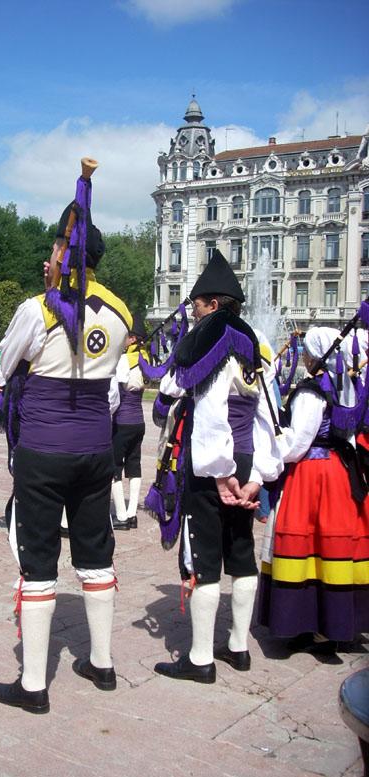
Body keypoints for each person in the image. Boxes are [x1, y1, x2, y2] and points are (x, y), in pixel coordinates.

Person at [0, 178, 132, 714]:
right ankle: (102, 663)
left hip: (44, 451)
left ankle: (32, 686)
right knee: (96, 555)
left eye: (53, 247)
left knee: (39, 562)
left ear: (62, 251)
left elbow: (6, 367)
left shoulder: (39, 309)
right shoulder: (120, 313)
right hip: (95, 449)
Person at [153, 250, 281, 684]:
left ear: (210, 303)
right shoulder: (258, 340)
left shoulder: (211, 335)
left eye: (195, 304)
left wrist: (222, 471)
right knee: (241, 552)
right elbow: (267, 414)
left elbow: (208, 411)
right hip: (245, 461)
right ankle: (239, 648)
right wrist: (257, 475)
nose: (191, 311)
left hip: (214, 466)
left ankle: (201, 659)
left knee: (205, 558)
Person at [257, 326, 369, 653]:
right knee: (332, 546)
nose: (301, 356)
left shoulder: (311, 392)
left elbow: (297, 443)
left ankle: (306, 622)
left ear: (315, 355)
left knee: (305, 544)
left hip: (312, 475)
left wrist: (272, 446)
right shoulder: (345, 386)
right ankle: (335, 621)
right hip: (340, 472)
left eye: (305, 350)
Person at [111, 313, 148, 530]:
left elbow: (116, 392)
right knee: (134, 465)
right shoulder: (146, 359)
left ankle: (122, 515)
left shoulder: (125, 360)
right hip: (139, 422)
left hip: (122, 421)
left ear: (132, 338)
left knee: (115, 466)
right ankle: (132, 513)